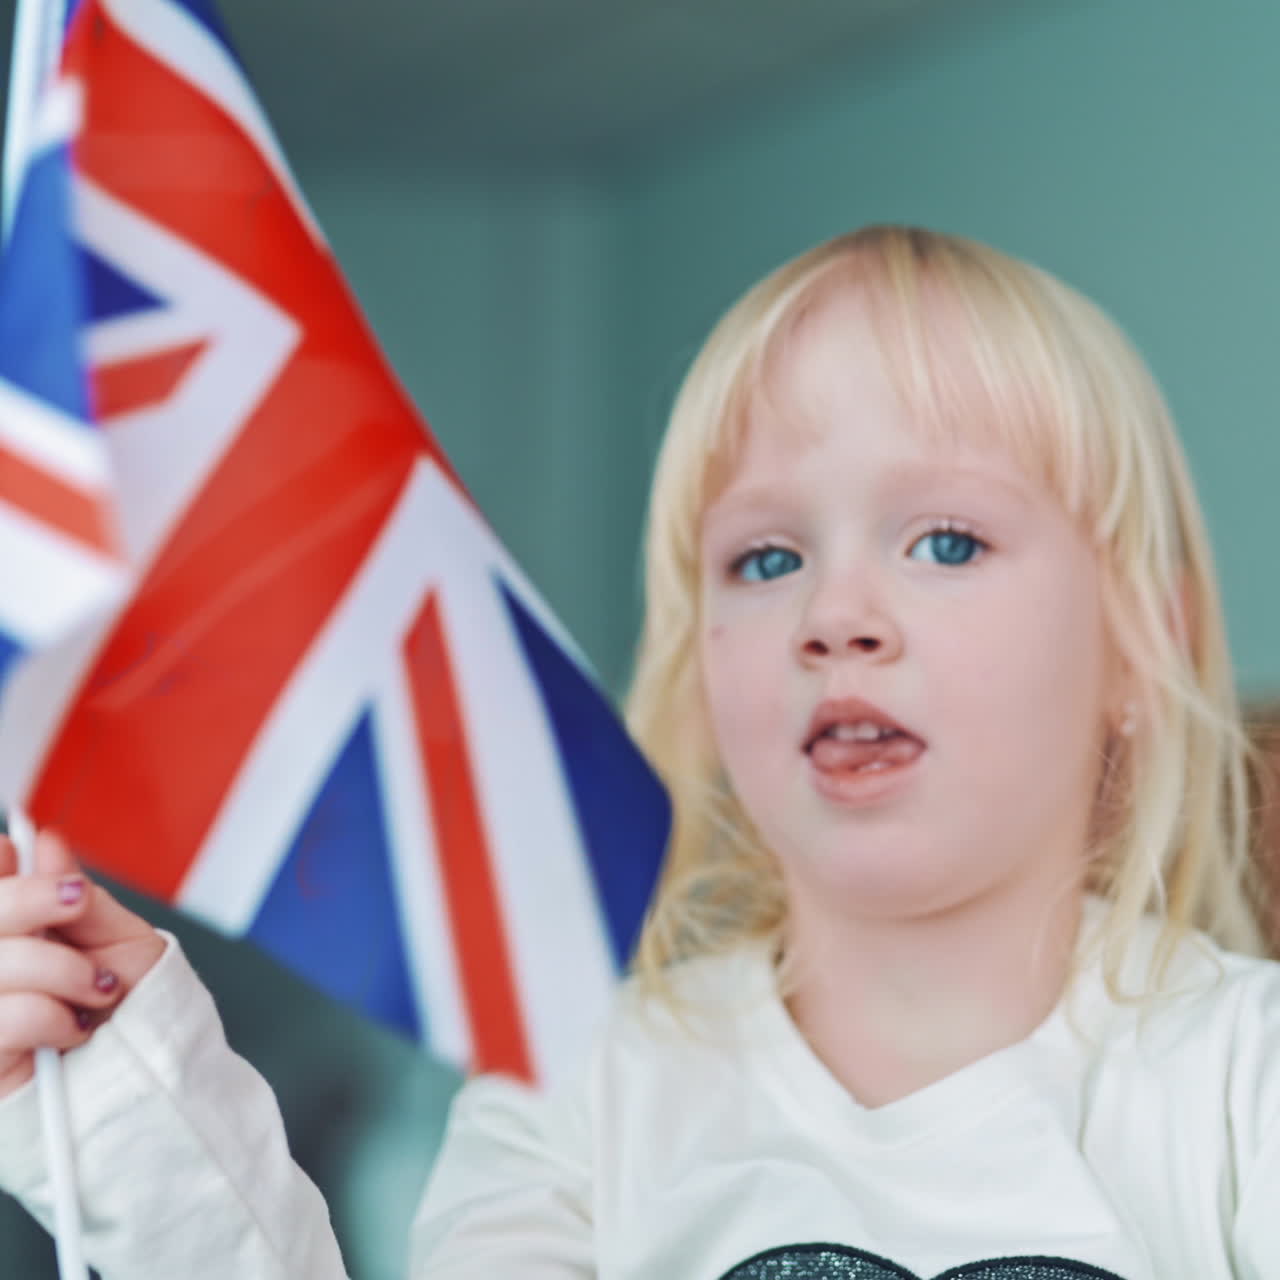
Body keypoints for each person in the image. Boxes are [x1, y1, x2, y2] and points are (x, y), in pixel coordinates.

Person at [0, 224, 1277, 1278]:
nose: (834, 616)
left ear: (1135, 650)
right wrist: (130, 1119)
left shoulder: (1241, 1083)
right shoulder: (582, 1093)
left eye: (944, 540)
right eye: (766, 559)